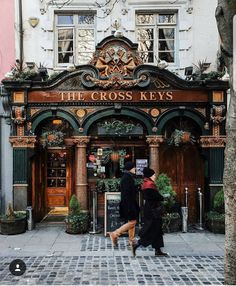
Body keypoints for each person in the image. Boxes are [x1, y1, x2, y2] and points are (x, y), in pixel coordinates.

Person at [132, 167, 168, 257]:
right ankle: (137, 243)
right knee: (153, 229)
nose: (155, 176)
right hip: (153, 210)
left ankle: (158, 250)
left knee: (157, 230)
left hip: (151, 208)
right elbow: (156, 197)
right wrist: (163, 196)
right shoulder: (149, 185)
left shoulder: (146, 183)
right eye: (154, 175)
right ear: (150, 175)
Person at [108, 161, 139, 247]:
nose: (135, 169)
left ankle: (131, 241)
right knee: (132, 222)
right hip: (129, 203)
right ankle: (115, 233)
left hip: (129, 203)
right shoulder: (127, 178)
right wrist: (130, 206)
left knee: (131, 221)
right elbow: (127, 193)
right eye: (134, 167)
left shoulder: (128, 177)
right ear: (130, 169)